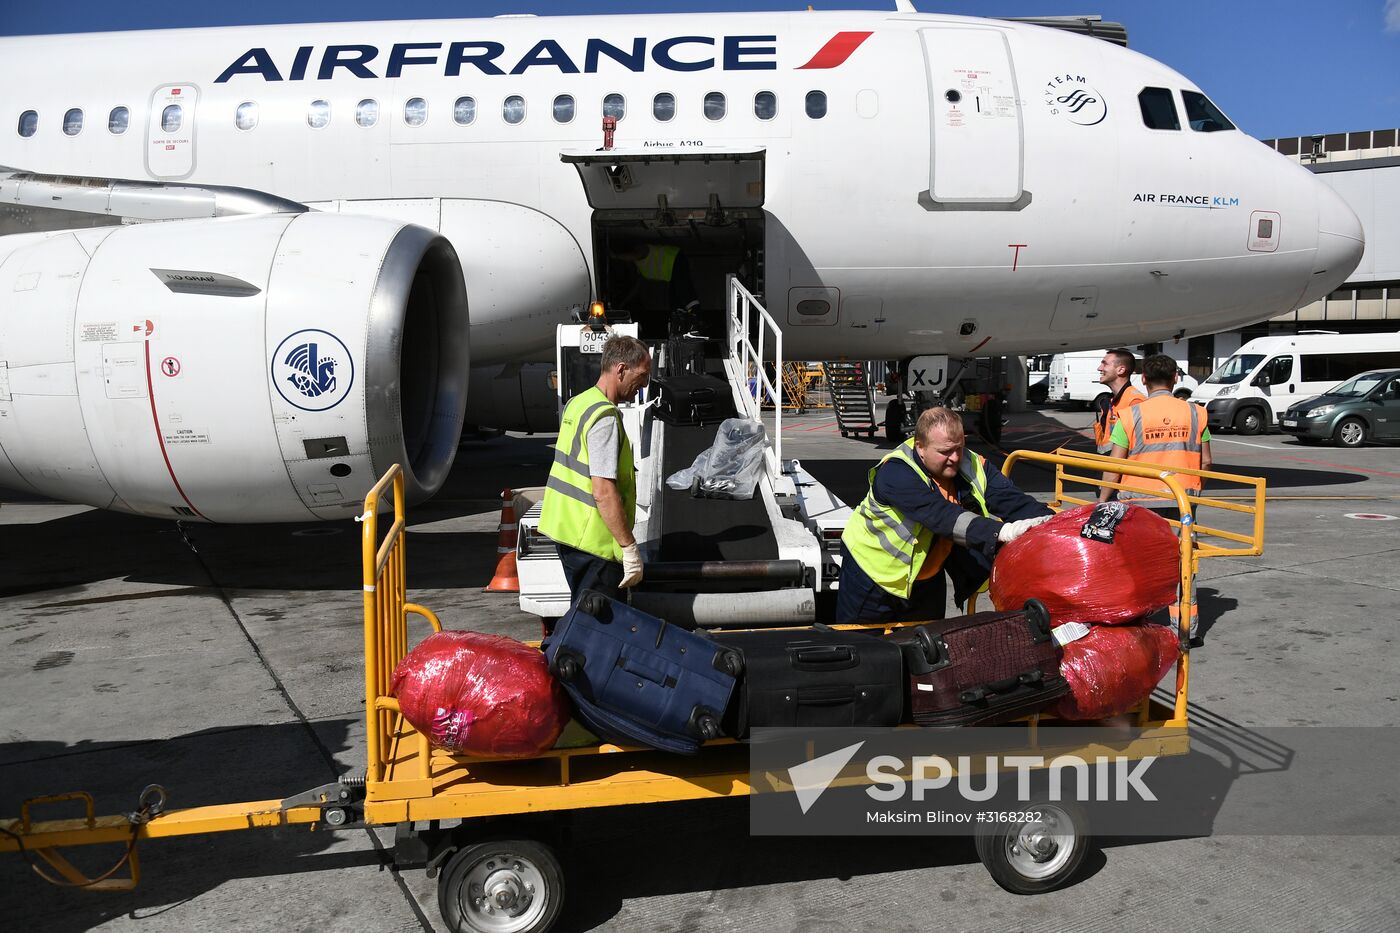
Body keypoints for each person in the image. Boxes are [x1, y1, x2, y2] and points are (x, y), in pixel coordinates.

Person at [837, 407, 1053, 623]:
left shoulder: (973, 465)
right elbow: (941, 516)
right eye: (945, 451)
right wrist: (1001, 531)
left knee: (926, 650)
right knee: (864, 648)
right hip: (872, 575)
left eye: (959, 448)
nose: (955, 458)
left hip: (925, 578)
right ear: (920, 447)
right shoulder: (896, 472)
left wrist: (1054, 523)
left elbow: (1014, 502)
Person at [1098, 353, 1213, 643]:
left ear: (1144, 379)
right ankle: (1186, 629)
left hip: (1139, 502)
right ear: (1176, 378)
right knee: (1182, 562)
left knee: (1137, 563)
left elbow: (1115, 466)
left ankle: (1136, 625)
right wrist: (1193, 488)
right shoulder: (1196, 413)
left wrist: (1102, 502)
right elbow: (1207, 462)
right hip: (1182, 500)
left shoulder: (1131, 415)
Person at [538, 335, 651, 608]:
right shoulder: (605, 418)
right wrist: (628, 548)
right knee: (599, 630)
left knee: (584, 619)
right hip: (594, 545)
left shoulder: (579, 403)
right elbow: (603, 491)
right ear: (621, 369)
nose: (646, 383)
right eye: (643, 375)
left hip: (568, 534)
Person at [613, 242, 699, 317]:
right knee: (674, 301)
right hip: (673, 273)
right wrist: (622, 303)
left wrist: (615, 256)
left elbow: (635, 255)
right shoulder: (641, 270)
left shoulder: (640, 250)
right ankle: (682, 321)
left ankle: (697, 315)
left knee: (684, 291)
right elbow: (635, 288)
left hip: (675, 259)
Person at [1093, 348, 1145, 456]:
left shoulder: (1135, 401)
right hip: (1109, 463)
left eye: (1104, 364)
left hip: (1120, 468)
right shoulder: (1113, 401)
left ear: (1121, 370)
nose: (1099, 368)